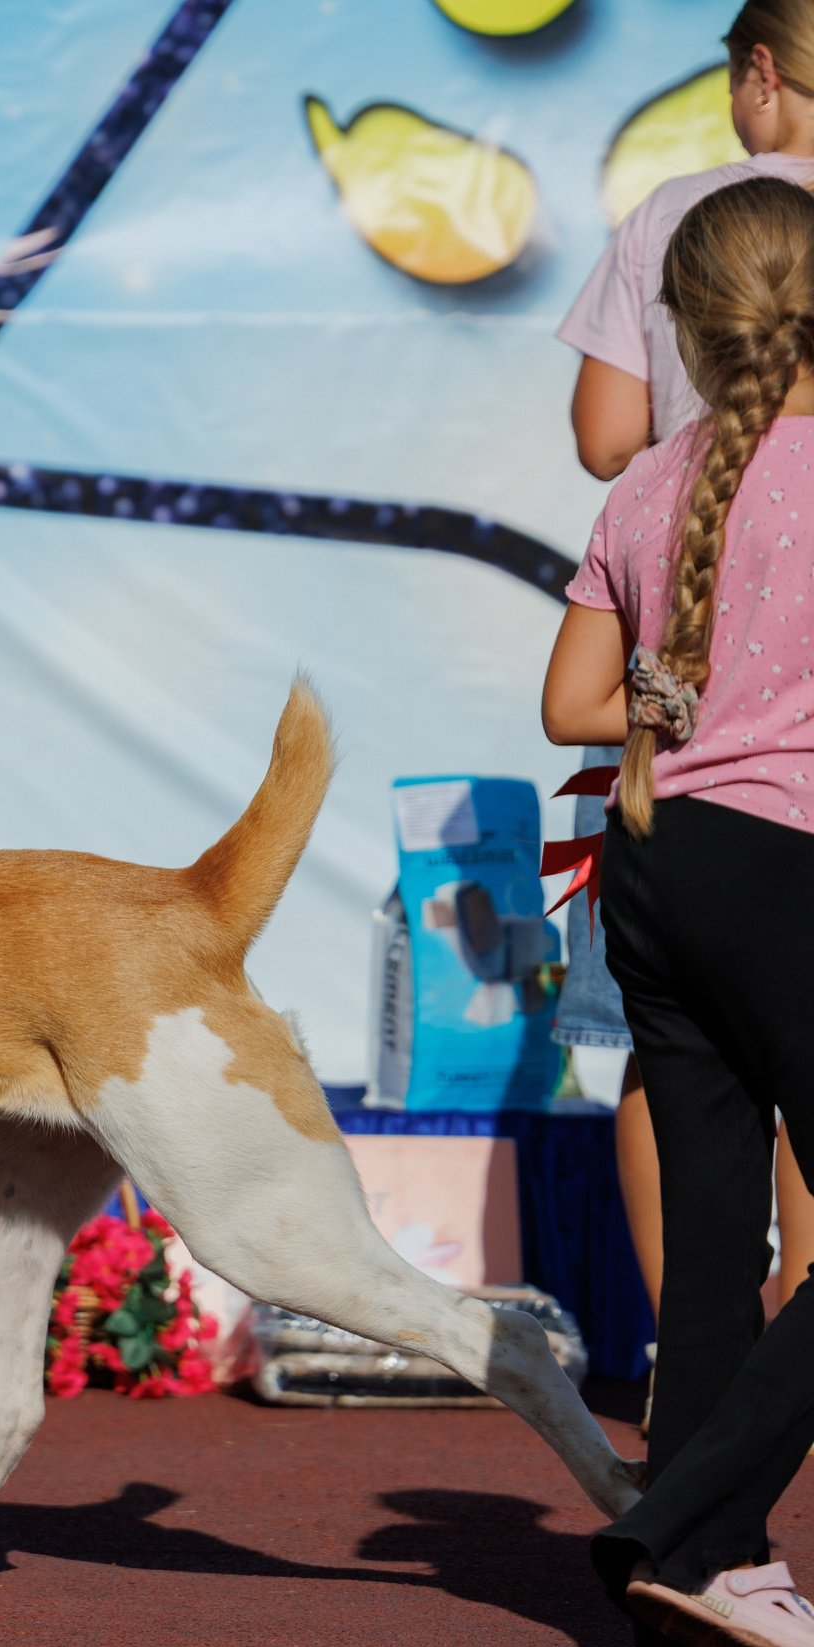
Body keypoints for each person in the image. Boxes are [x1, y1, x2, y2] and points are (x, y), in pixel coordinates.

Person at [544, 175, 814, 1647]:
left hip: (656, 867)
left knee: (714, 1254)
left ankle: (702, 1603)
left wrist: (676, 703)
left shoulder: (650, 481)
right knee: (741, 1248)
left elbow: (573, 706)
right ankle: (686, 1525)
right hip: (789, 866)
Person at [555, 0, 814, 1359]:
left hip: (679, 770)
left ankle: (690, 1372)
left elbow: (607, 433)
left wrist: (672, 683)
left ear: (759, 73)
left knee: (676, 1074)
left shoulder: (674, 209)